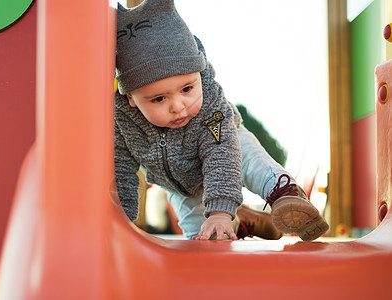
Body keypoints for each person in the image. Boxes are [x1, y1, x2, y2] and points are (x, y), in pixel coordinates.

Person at [114, 0, 328, 241]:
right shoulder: (123, 122)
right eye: (159, 99)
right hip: (183, 188)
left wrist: (220, 211)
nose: (178, 106)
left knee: (252, 163)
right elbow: (120, 169)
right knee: (203, 239)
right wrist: (121, 222)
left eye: (187, 88)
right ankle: (242, 223)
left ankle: (286, 195)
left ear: (199, 73)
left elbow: (221, 154)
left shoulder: (211, 106)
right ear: (130, 98)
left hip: (226, 146)